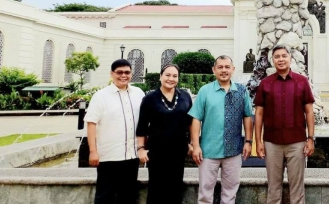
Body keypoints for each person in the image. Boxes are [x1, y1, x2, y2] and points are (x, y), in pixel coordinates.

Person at [254, 44, 315, 204]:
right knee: (273, 188)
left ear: (290, 58)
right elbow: (259, 113)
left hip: (297, 142)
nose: (281, 59)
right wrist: (258, 142)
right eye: (277, 57)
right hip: (272, 142)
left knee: (297, 188)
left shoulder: (302, 81)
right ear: (272, 60)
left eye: (284, 56)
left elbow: (309, 111)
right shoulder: (265, 83)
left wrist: (311, 138)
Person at [189, 55, 253, 204]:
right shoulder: (205, 91)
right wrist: (196, 146)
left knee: (230, 194)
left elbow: (247, 117)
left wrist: (248, 141)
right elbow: (196, 118)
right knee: (205, 194)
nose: (224, 70)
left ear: (233, 69)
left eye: (227, 67)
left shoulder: (242, 91)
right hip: (208, 151)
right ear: (214, 70)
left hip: (233, 151)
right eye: (220, 67)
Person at [84, 59, 145, 204]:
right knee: (105, 197)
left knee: (128, 196)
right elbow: (91, 123)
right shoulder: (100, 96)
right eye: (119, 72)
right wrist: (93, 151)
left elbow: (145, 122)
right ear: (112, 74)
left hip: (131, 156)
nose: (123, 75)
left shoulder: (138, 93)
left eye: (127, 72)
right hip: (108, 157)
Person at [136, 64, 193, 204]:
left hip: (178, 150)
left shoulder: (185, 96)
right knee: (157, 188)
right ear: (160, 76)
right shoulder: (150, 98)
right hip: (157, 151)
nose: (171, 79)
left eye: (174, 76)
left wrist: (191, 143)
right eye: (167, 75)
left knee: (175, 187)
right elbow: (142, 125)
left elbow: (191, 122)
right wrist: (141, 148)